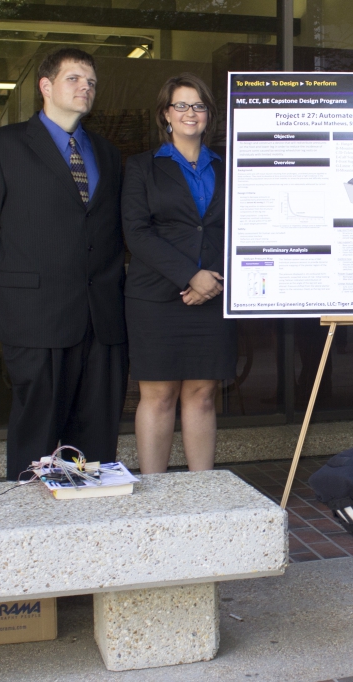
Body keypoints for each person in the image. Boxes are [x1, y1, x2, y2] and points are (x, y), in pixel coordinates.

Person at [0, 48, 127, 481]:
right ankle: (31, 522)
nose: (85, 87)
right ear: (46, 87)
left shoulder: (107, 154)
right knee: (38, 432)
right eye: (73, 79)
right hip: (36, 314)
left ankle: (87, 518)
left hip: (100, 317)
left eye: (90, 81)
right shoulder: (0, 147)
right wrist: (21, 269)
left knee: (96, 434)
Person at [121, 74, 235, 473]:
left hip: (213, 293)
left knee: (202, 394)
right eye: (181, 105)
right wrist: (190, 275)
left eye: (199, 105)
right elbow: (136, 232)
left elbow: (242, 226)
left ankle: (201, 491)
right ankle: (156, 494)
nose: (191, 113)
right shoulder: (142, 167)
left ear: (209, 115)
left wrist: (212, 278)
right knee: (158, 394)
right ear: (166, 114)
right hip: (155, 296)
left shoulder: (228, 165)